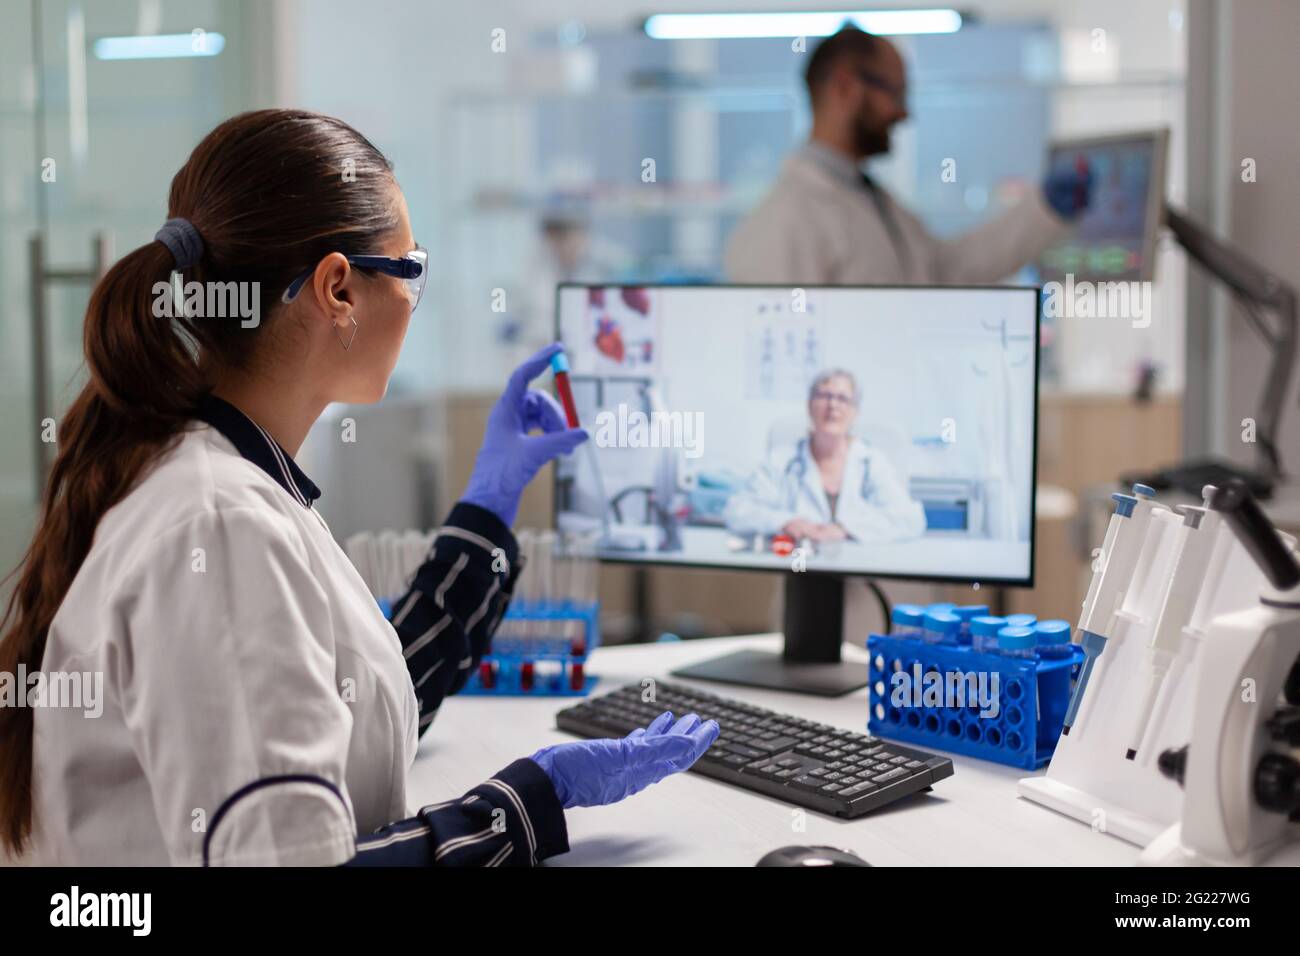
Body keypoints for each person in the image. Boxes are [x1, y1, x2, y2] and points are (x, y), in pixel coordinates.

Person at [0, 109, 718, 867]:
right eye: (414, 269)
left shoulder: (214, 474)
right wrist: (523, 807)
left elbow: (347, 698)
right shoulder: (219, 526)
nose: (416, 296)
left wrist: (488, 508)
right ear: (338, 289)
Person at [725, 27, 1092, 285]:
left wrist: (1043, 210)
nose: (904, 113)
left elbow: (947, 271)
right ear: (845, 87)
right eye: (895, 93)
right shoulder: (784, 224)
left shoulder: (868, 199)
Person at [724, 368, 925, 544]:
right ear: (809, 405)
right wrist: (786, 522)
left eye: (843, 398)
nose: (833, 406)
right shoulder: (781, 461)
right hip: (798, 563)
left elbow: (910, 519)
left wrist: (845, 529)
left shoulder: (871, 463)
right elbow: (738, 511)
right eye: (824, 396)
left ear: (855, 411)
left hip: (858, 565)